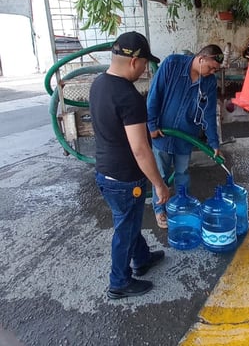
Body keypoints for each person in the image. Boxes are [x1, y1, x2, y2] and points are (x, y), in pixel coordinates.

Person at [89, 31, 170, 300]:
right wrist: (159, 184)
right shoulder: (129, 97)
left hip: (105, 173)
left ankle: (142, 258)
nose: (145, 70)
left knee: (130, 222)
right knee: (126, 228)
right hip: (125, 179)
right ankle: (119, 282)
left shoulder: (99, 84)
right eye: (146, 64)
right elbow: (140, 148)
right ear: (135, 62)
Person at [147, 45, 224, 228]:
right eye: (211, 67)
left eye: (215, 70)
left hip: (186, 137)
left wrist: (213, 142)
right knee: (161, 175)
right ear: (201, 58)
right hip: (162, 134)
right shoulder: (172, 64)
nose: (212, 72)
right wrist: (151, 124)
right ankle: (160, 210)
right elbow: (154, 95)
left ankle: (183, 206)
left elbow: (209, 114)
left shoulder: (209, 82)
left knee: (182, 174)